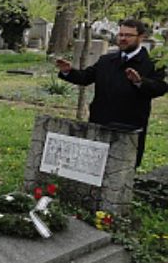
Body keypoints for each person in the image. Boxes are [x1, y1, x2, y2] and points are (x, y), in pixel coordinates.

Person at [56, 18, 168, 166]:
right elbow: (85, 78)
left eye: (128, 35)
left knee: (121, 170)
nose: (122, 39)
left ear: (141, 37)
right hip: (100, 122)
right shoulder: (106, 60)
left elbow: (160, 88)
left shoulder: (152, 63)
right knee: (94, 167)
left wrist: (139, 82)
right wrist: (68, 72)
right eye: (120, 34)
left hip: (129, 126)